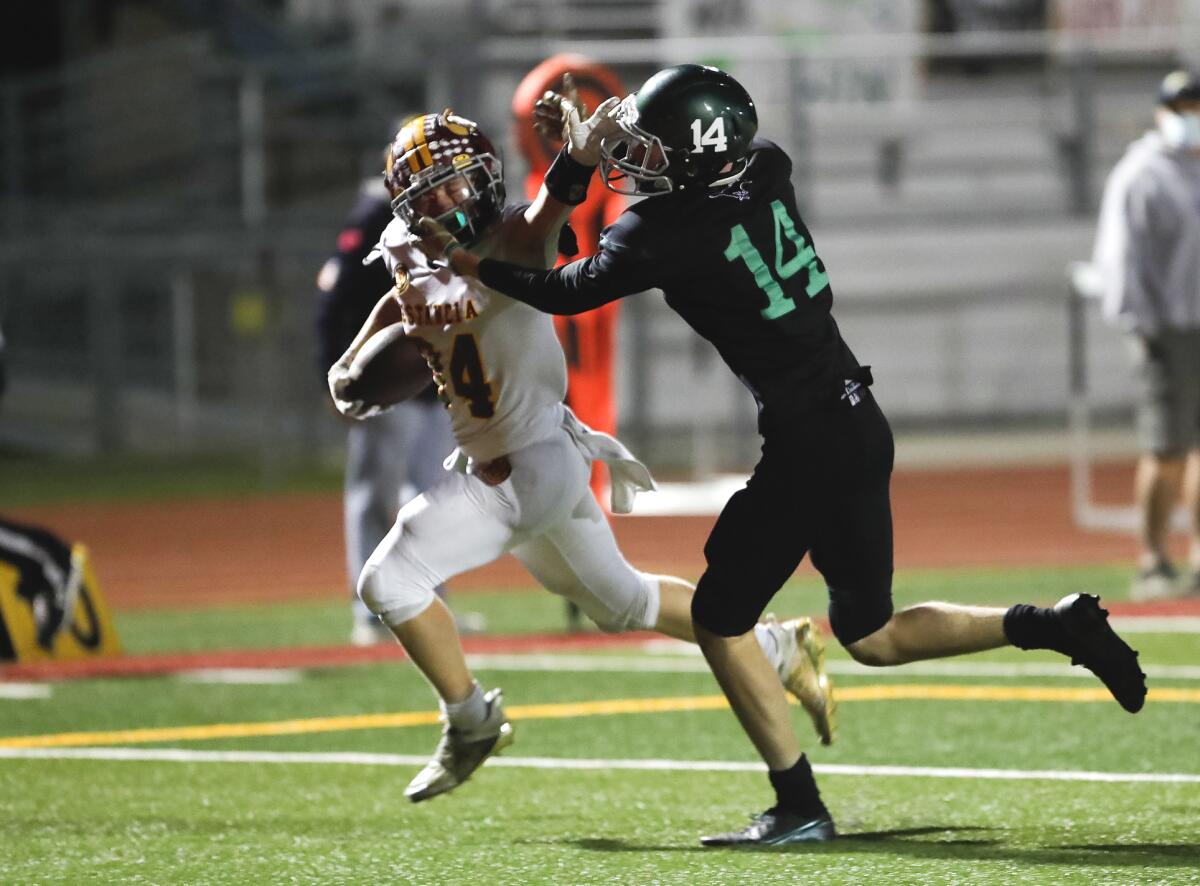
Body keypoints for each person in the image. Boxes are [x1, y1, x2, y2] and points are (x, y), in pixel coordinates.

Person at [415, 63, 1149, 846]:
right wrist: (592, 152)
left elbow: (560, 288)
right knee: (870, 635)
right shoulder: (766, 166)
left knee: (717, 617)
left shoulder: (661, 232)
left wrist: (475, 262)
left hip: (807, 441)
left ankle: (798, 804)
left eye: (651, 147)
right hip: (857, 419)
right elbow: (660, 206)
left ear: (694, 155)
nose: (637, 156)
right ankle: (1055, 623)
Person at [327, 108, 837, 804]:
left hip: (528, 463)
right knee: (622, 601)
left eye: (456, 182)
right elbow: (371, 350)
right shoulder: (408, 261)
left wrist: (580, 155)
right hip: (535, 464)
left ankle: (471, 721)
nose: (445, 200)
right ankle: (780, 647)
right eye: (428, 192)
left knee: (389, 581)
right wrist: (381, 348)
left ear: (483, 179)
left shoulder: (511, 241)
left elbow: (547, 215)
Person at [315, 156, 458, 646]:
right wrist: (339, 375)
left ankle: (428, 600)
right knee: (375, 495)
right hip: (388, 386)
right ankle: (370, 610)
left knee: (435, 498)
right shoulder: (375, 218)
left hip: (435, 388)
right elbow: (337, 302)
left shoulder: (453, 215)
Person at [512, 55, 628, 631]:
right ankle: (581, 580)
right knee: (546, 460)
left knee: (582, 459)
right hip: (546, 348)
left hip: (581, 346)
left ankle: (590, 583)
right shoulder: (544, 192)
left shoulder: (607, 196)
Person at [1093, 69, 1200, 600]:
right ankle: (1154, 559)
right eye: (1182, 107)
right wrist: (1141, 324)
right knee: (1167, 447)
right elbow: (1121, 258)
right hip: (1166, 327)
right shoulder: (1142, 173)